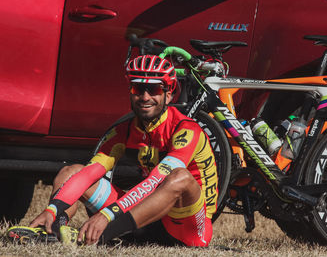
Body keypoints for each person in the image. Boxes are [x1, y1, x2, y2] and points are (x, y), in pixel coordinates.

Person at [7, 55, 218, 247]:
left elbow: (156, 180)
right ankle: (52, 229)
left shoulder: (186, 129)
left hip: (186, 228)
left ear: (169, 95)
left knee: (179, 177)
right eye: (137, 89)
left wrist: (108, 215)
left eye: (154, 89)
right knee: (71, 171)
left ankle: (100, 236)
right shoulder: (123, 131)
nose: (145, 97)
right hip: (142, 218)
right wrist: (52, 208)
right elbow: (90, 172)